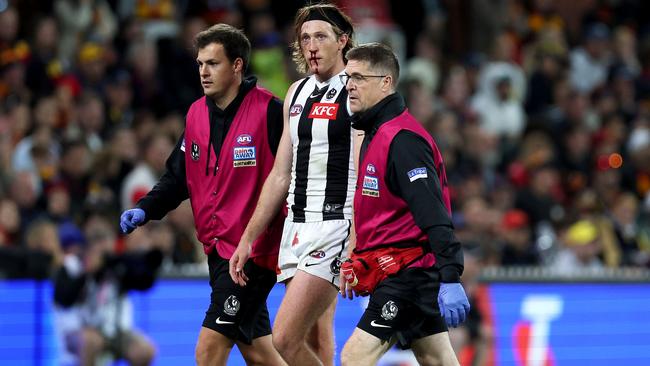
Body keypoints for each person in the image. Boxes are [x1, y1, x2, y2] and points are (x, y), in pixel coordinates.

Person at [119, 23, 286, 366]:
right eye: (200, 64)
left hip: (252, 253)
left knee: (209, 349)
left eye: (213, 63)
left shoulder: (271, 112)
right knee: (258, 352)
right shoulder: (196, 113)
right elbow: (178, 177)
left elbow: (293, 175)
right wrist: (146, 209)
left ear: (237, 65)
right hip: (216, 250)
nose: (204, 72)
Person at [229, 4, 357, 366]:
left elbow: (367, 170)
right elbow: (279, 175)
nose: (311, 45)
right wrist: (248, 237)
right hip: (296, 227)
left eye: (320, 37)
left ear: (342, 41)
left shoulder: (356, 90)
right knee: (313, 335)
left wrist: (357, 237)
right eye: (305, 38)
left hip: (335, 223)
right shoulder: (297, 93)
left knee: (284, 339)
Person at [337, 43, 470, 366]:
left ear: (385, 82)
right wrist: (357, 255)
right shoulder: (377, 132)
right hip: (399, 270)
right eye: (347, 78)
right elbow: (379, 211)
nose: (350, 86)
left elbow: (432, 212)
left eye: (358, 77)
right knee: (438, 360)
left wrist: (451, 275)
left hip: (408, 274)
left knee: (354, 357)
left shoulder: (402, 140)